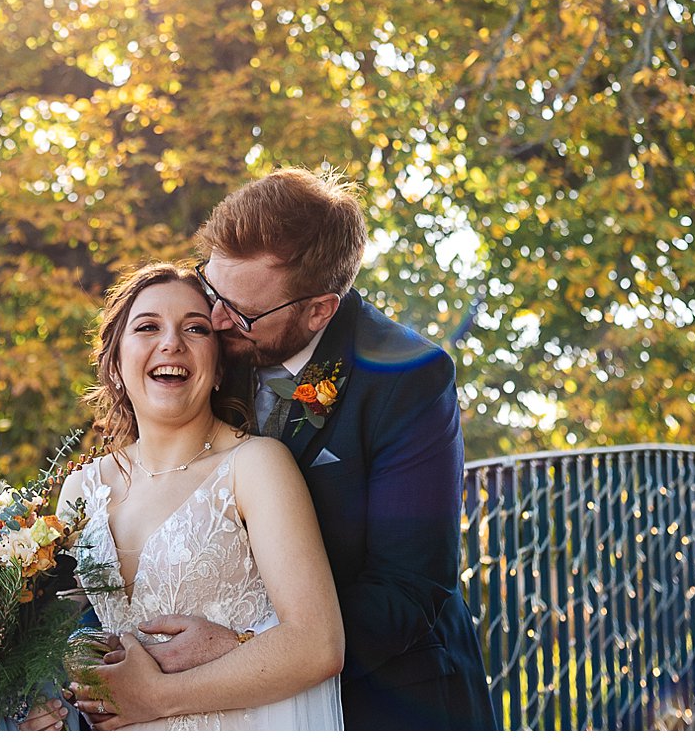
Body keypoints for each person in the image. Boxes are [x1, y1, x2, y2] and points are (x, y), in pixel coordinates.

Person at [82, 168, 498, 731]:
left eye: (243, 313)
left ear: (319, 311)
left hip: (384, 696)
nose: (218, 319)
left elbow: (409, 587)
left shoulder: (408, 378)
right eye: (213, 291)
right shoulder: (214, 339)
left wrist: (249, 647)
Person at [24, 262, 344, 730]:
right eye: (148, 326)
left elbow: (318, 645)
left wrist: (158, 697)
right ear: (115, 364)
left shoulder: (256, 466)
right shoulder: (81, 490)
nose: (171, 343)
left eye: (195, 328)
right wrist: (37, 702)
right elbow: (57, 644)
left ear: (216, 369)